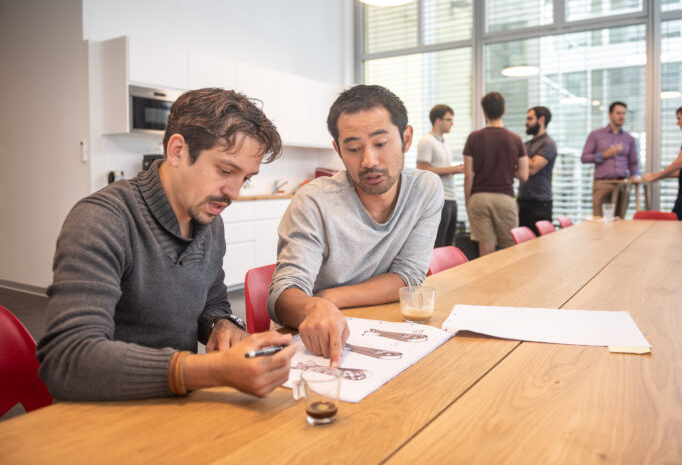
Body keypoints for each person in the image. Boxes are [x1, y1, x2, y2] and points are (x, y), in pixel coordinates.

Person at [36, 88, 296, 401]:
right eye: (226, 171)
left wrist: (220, 325)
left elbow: (211, 303)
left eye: (245, 178)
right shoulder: (103, 219)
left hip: (175, 402)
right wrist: (210, 370)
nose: (234, 193)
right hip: (102, 412)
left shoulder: (210, 222)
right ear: (176, 151)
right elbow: (68, 360)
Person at [268, 84, 442, 367]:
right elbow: (282, 295)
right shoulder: (314, 200)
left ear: (406, 138)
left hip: (383, 327)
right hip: (319, 343)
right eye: (353, 148)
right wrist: (315, 306)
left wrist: (326, 298)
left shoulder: (425, 189)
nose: (368, 161)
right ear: (337, 149)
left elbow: (409, 276)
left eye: (381, 144)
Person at [463, 92, 528, 257]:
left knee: (486, 247)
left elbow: (469, 174)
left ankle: (486, 283)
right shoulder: (516, 139)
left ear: (484, 112)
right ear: (504, 110)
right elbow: (523, 174)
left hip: (479, 198)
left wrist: (468, 200)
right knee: (509, 248)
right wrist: (506, 168)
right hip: (505, 198)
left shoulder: (473, 138)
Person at [581, 101, 640, 219]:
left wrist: (634, 174)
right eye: (618, 113)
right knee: (600, 222)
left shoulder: (629, 139)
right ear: (610, 114)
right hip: (602, 184)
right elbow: (584, 158)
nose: (621, 116)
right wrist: (605, 154)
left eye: (624, 113)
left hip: (622, 184)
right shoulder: (596, 135)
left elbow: (633, 162)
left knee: (620, 222)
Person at [416, 104, 464, 247]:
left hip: (451, 198)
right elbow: (422, 169)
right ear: (438, 120)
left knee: (448, 244)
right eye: (449, 119)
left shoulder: (444, 143)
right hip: (438, 198)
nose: (452, 123)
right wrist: (452, 170)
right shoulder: (427, 142)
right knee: (438, 245)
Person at [517, 106, 557, 234]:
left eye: (530, 119)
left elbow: (533, 168)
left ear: (541, 119)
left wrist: (519, 150)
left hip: (540, 203)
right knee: (522, 245)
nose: (526, 123)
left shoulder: (548, 143)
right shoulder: (526, 145)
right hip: (523, 200)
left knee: (540, 246)